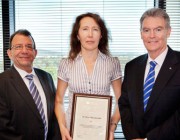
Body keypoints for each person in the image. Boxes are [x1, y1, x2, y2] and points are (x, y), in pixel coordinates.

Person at [55, 12, 122, 140]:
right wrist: (62, 127)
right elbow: (59, 101)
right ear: (78, 35)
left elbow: (121, 100)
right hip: (72, 133)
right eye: (85, 29)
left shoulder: (112, 63)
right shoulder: (66, 64)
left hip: (102, 133)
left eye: (95, 29)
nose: (90, 34)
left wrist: (112, 127)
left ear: (101, 35)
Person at [118, 8, 180, 140]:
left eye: (158, 29)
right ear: (141, 34)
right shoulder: (131, 67)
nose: (152, 36)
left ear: (168, 31)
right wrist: (133, 137)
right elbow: (125, 106)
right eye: (146, 30)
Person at [0, 29, 61, 140]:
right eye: (18, 47)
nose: (24, 51)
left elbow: (54, 117)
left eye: (29, 47)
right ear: (9, 53)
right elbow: (3, 129)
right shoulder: (2, 82)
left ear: (35, 52)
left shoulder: (47, 77)